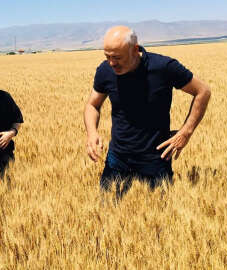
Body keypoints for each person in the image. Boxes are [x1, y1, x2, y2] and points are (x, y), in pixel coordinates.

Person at [84, 26, 211, 196]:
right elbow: (93, 105)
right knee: (106, 211)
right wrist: (92, 133)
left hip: (155, 159)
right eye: (107, 57)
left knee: (159, 216)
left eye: (117, 57)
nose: (111, 63)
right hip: (117, 157)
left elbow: (203, 91)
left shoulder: (164, 67)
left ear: (135, 50)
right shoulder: (105, 71)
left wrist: (185, 133)